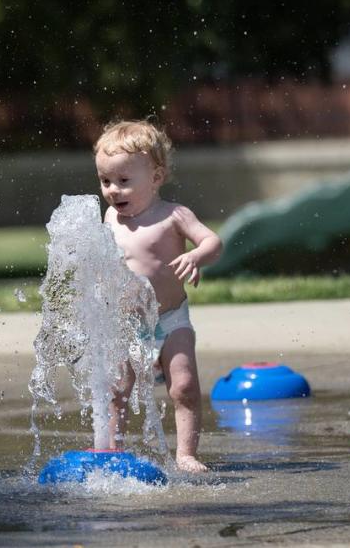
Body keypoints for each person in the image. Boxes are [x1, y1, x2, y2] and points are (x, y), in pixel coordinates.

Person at [92, 119, 222, 473]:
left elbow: (213, 241)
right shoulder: (110, 218)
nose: (113, 191)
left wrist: (196, 256)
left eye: (123, 181)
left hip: (170, 318)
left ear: (156, 177)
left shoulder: (173, 215)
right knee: (117, 391)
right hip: (126, 323)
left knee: (183, 386)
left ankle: (186, 454)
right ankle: (111, 451)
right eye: (105, 181)